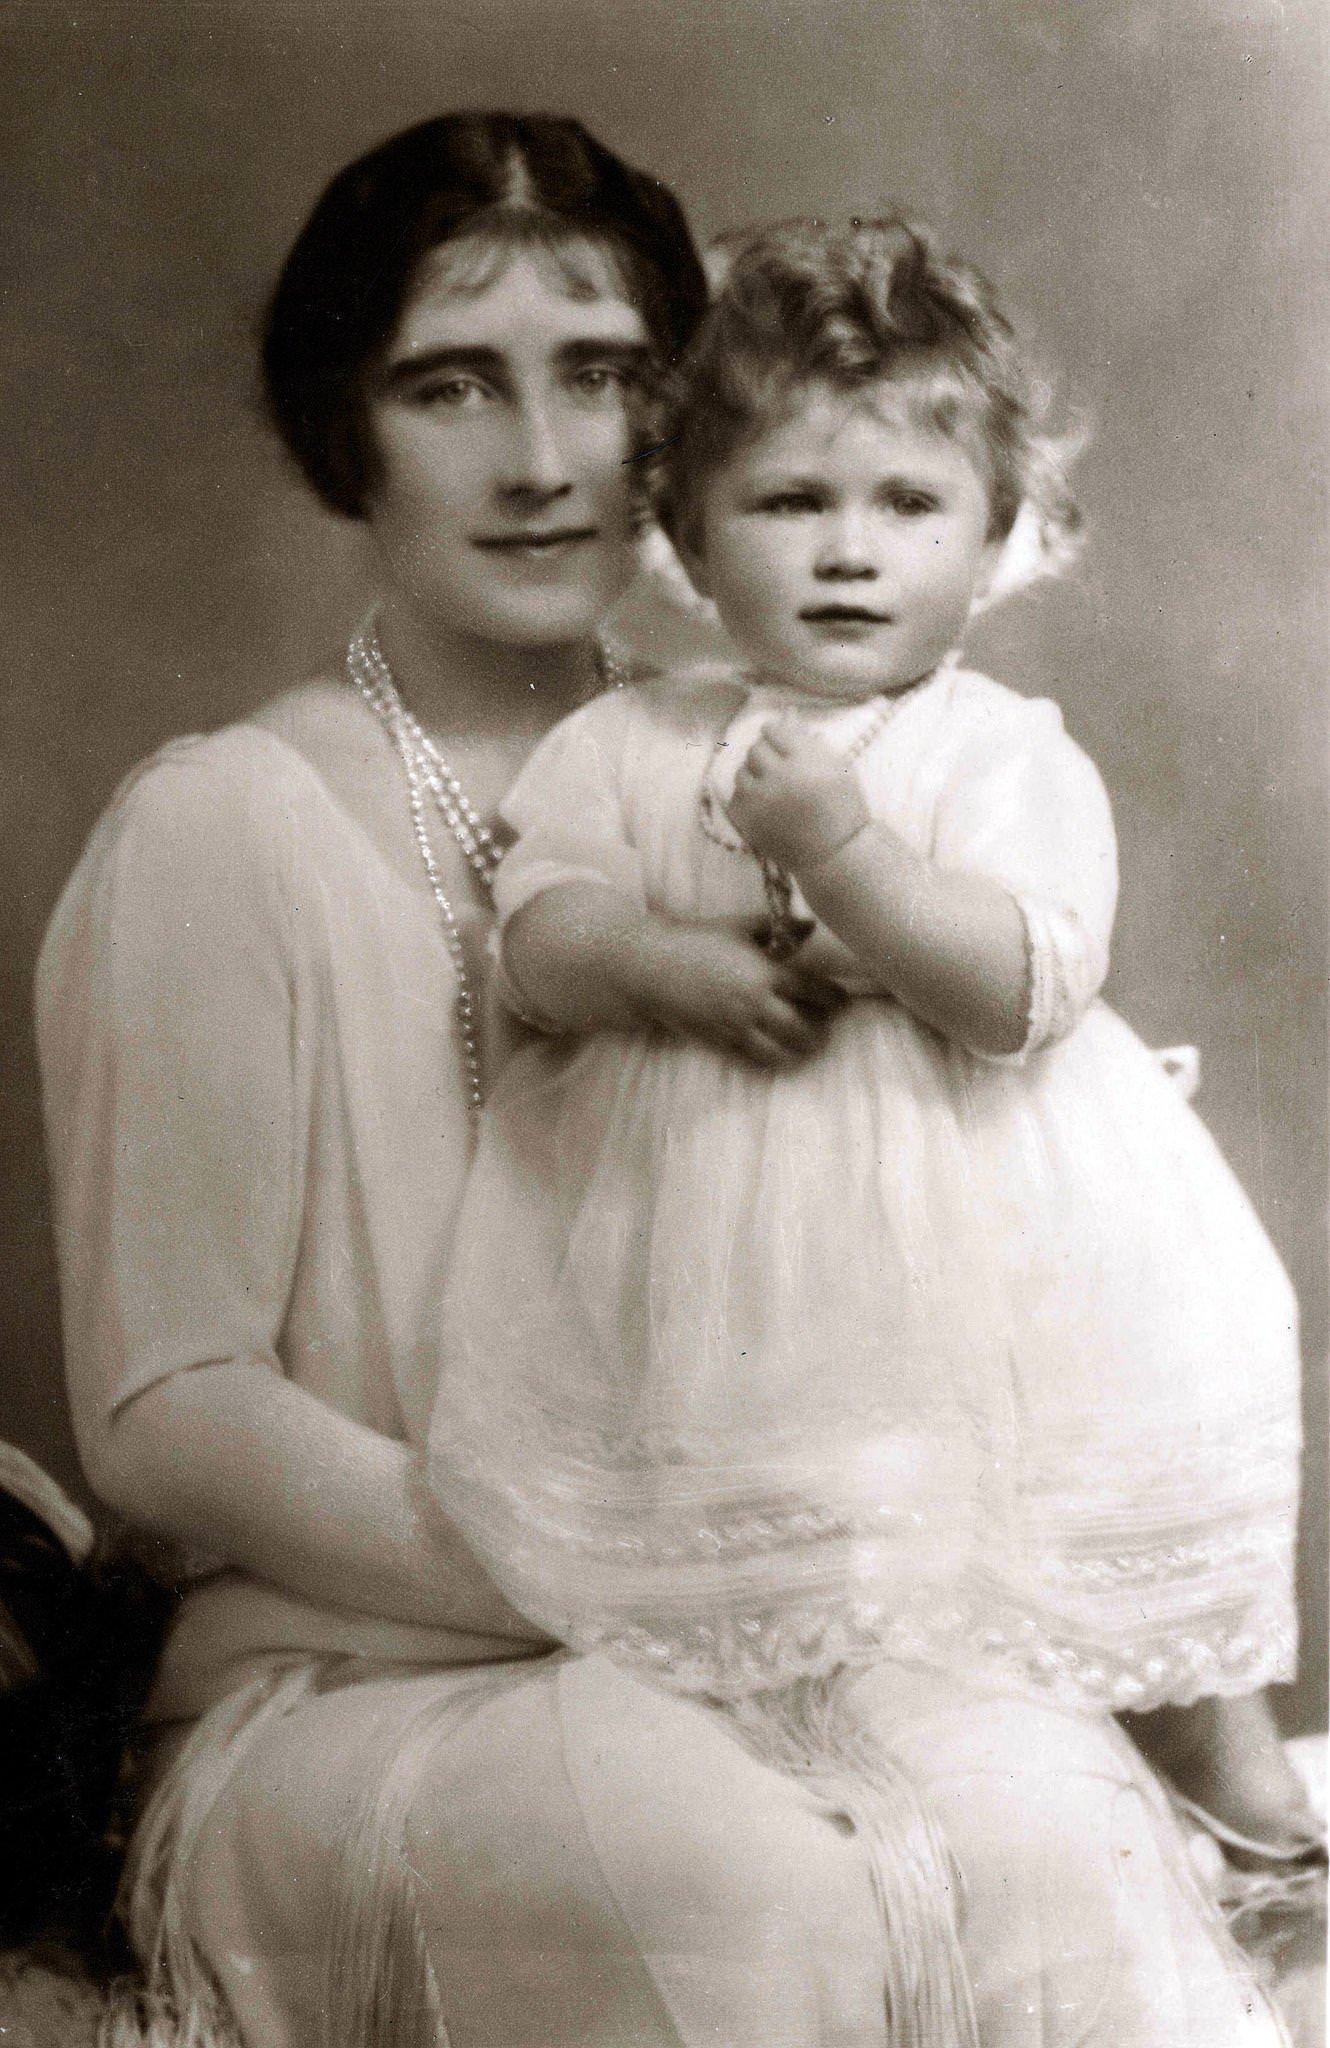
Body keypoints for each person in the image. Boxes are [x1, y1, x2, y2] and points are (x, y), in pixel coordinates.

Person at [38, 113, 916, 2048]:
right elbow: (171, 1411)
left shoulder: (777, 788)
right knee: (728, 1885)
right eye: (451, 384)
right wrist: (600, 1581)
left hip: (734, 1645)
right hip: (349, 1685)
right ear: (347, 433)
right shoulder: (226, 828)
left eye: (603, 378)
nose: (540, 461)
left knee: (1022, 1834)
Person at [428, 216, 1316, 2042]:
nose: (846, 549)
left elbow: (1019, 985)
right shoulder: (629, 740)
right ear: (682, 533)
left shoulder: (1001, 750)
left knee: (1091, 1547)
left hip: (996, 1266)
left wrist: (842, 851)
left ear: (996, 540)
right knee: (777, 1601)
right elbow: (537, 937)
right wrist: (664, 964)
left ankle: (1254, 1827)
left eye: (908, 504)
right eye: (788, 502)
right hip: (717, 1266)